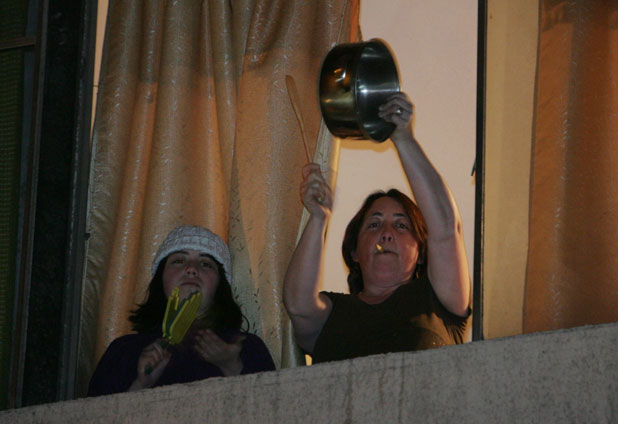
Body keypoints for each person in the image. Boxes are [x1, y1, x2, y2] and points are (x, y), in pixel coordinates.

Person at [283, 92, 471, 363]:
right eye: (374, 224)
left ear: (421, 251)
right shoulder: (334, 312)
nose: (386, 232)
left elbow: (446, 229)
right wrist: (318, 217)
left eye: (401, 225)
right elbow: (298, 306)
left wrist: (403, 138)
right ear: (355, 251)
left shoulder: (438, 301)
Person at [88, 225, 275, 396]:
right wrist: (141, 384)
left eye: (206, 263)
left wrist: (232, 366)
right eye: (178, 260)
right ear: (160, 279)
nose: (192, 269)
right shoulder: (124, 351)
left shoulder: (247, 348)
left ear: (220, 286)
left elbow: (275, 410)